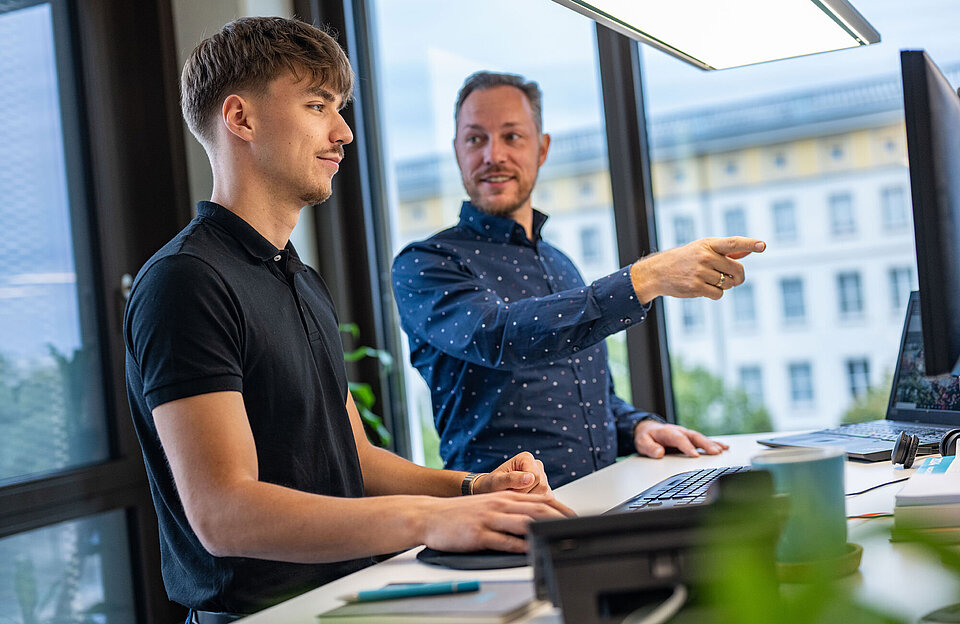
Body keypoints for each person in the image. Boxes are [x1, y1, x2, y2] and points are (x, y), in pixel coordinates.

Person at [123, 21, 572, 621]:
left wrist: (472, 489)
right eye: (317, 106)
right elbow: (223, 514)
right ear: (241, 118)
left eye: (339, 109)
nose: (343, 133)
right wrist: (437, 519)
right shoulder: (186, 280)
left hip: (342, 600)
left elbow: (353, 460)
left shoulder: (299, 279)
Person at [392, 71, 766, 487]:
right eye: (475, 139)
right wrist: (644, 279)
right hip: (500, 516)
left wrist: (636, 426)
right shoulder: (425, 263)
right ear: (457, 150)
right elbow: (499, 334)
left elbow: (590, 393)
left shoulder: (560, 262)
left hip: (601, 502)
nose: (492, 155)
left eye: (512, 137)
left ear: (542, 148)